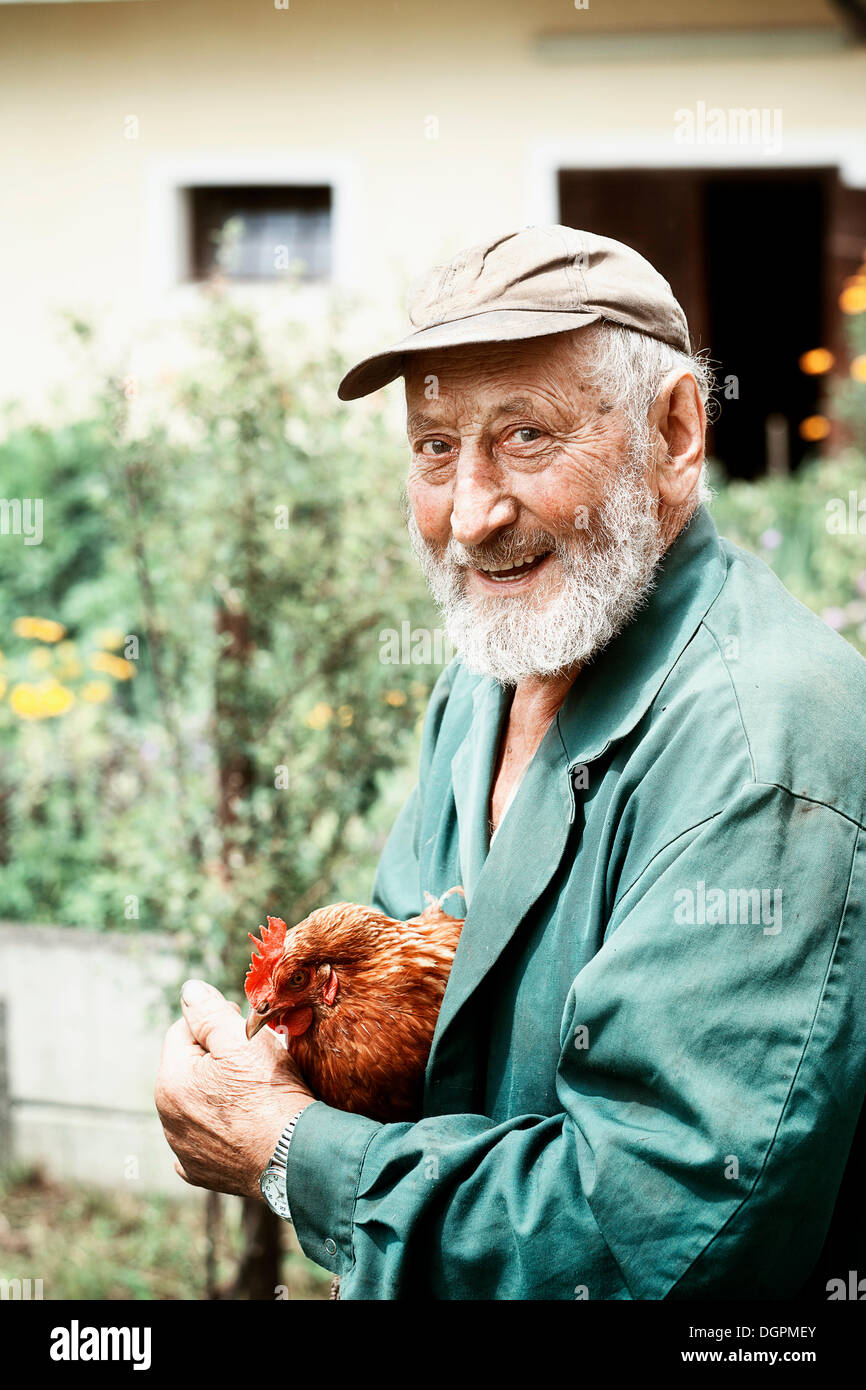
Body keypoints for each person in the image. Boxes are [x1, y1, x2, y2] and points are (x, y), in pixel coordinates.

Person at [156, 226, 866, 1300]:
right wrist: (276, 1067)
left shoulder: (761, 749)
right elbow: (426, 1041)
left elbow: (663, 1247)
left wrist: (293, 1156)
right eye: (435, 447)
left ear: (673, 431)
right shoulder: (491, 676)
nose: (473, 514)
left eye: (524, 436)